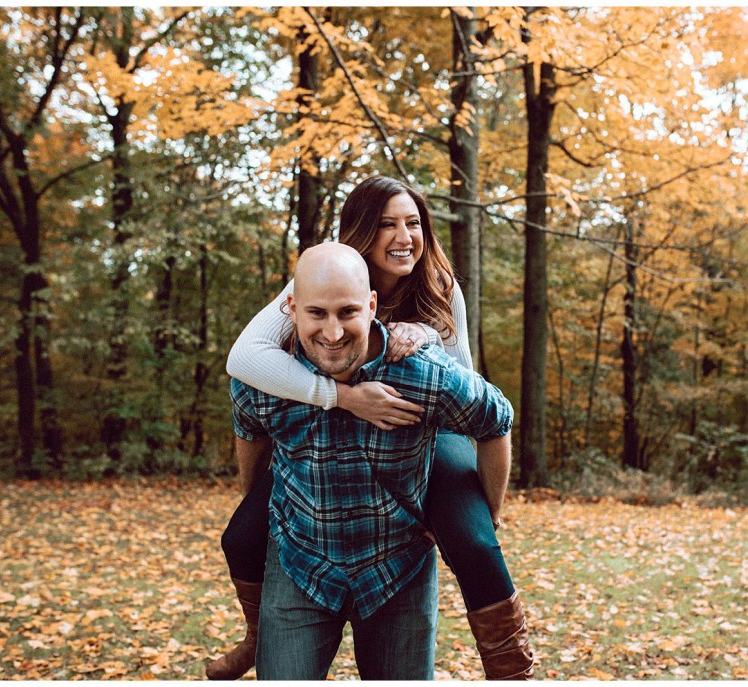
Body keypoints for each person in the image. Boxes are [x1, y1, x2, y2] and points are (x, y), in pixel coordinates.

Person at [208, 176, 533, 680]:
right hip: (324, 415)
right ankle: (257, 636)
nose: (404, 236)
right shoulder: (320, 278)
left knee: (473, 537)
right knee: (244, 532)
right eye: (386, 224)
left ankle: (510, 667)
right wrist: (345, 397)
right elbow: (246, 358)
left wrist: (424, 336)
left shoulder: (440, 285)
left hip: (429, 424)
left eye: (413, 223)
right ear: (360, 231)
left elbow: (468, 384)